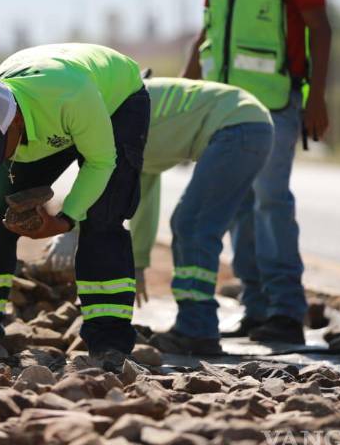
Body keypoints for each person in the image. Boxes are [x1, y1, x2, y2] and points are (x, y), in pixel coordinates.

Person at [182, 0, 332, 344]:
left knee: (271, 202)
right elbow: (209, 28)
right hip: (225, 108)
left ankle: (287, 310)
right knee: (240, 204)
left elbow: (319, 27)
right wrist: (188, 86)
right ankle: (257, 305)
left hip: (273, 104)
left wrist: (317, 97)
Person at [41, 77, 273, 354]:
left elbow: (96, 182)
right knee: (242, 224)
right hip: (254, 125)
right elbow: (144, 193)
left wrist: (71, 228)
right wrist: (138, 263)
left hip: (236, 128)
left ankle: (196, 330)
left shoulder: (120, 113)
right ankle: (259, 310)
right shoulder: (131, 107)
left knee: (192, 225)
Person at [0, 43, 149, 365]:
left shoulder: (70, 95)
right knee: (0, 218)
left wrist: (66, 219)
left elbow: (101, 161)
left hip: (116, 101)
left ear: (14, 121)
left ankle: (109, 345)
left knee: (102, 218)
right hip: (49, 115)